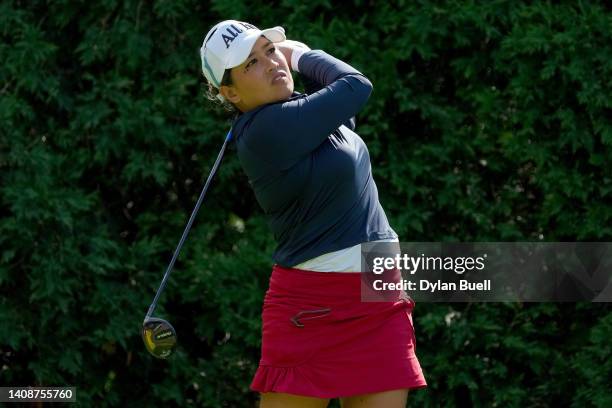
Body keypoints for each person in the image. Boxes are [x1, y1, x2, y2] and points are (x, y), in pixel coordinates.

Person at [200, 20, 427, 408]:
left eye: (270, 50)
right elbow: (356, 86)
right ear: (230, 92)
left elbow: (344, 111)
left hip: (378, 298)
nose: (272, 63)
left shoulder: (299, 113)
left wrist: (286, 61)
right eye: (252, 63)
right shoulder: (264, 129)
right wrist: (299, 54)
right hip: (311, 309)